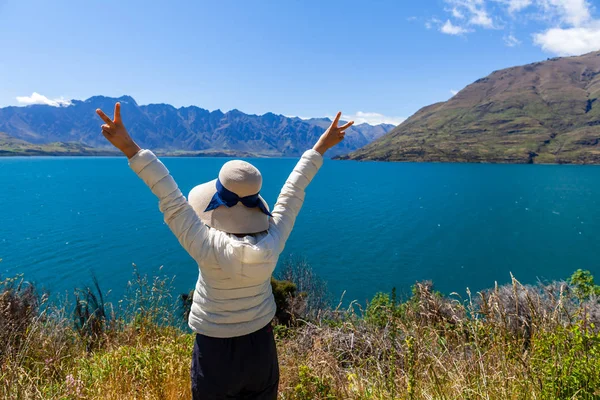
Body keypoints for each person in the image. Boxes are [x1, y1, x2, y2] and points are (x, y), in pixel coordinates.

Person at [96, 103, 353, 399]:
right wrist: (321, 146)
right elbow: (293, 193)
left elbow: (169, 196)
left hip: (215, 351)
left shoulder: (205, 245)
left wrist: (128, 146)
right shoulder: (274, 238)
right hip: (261, 347)